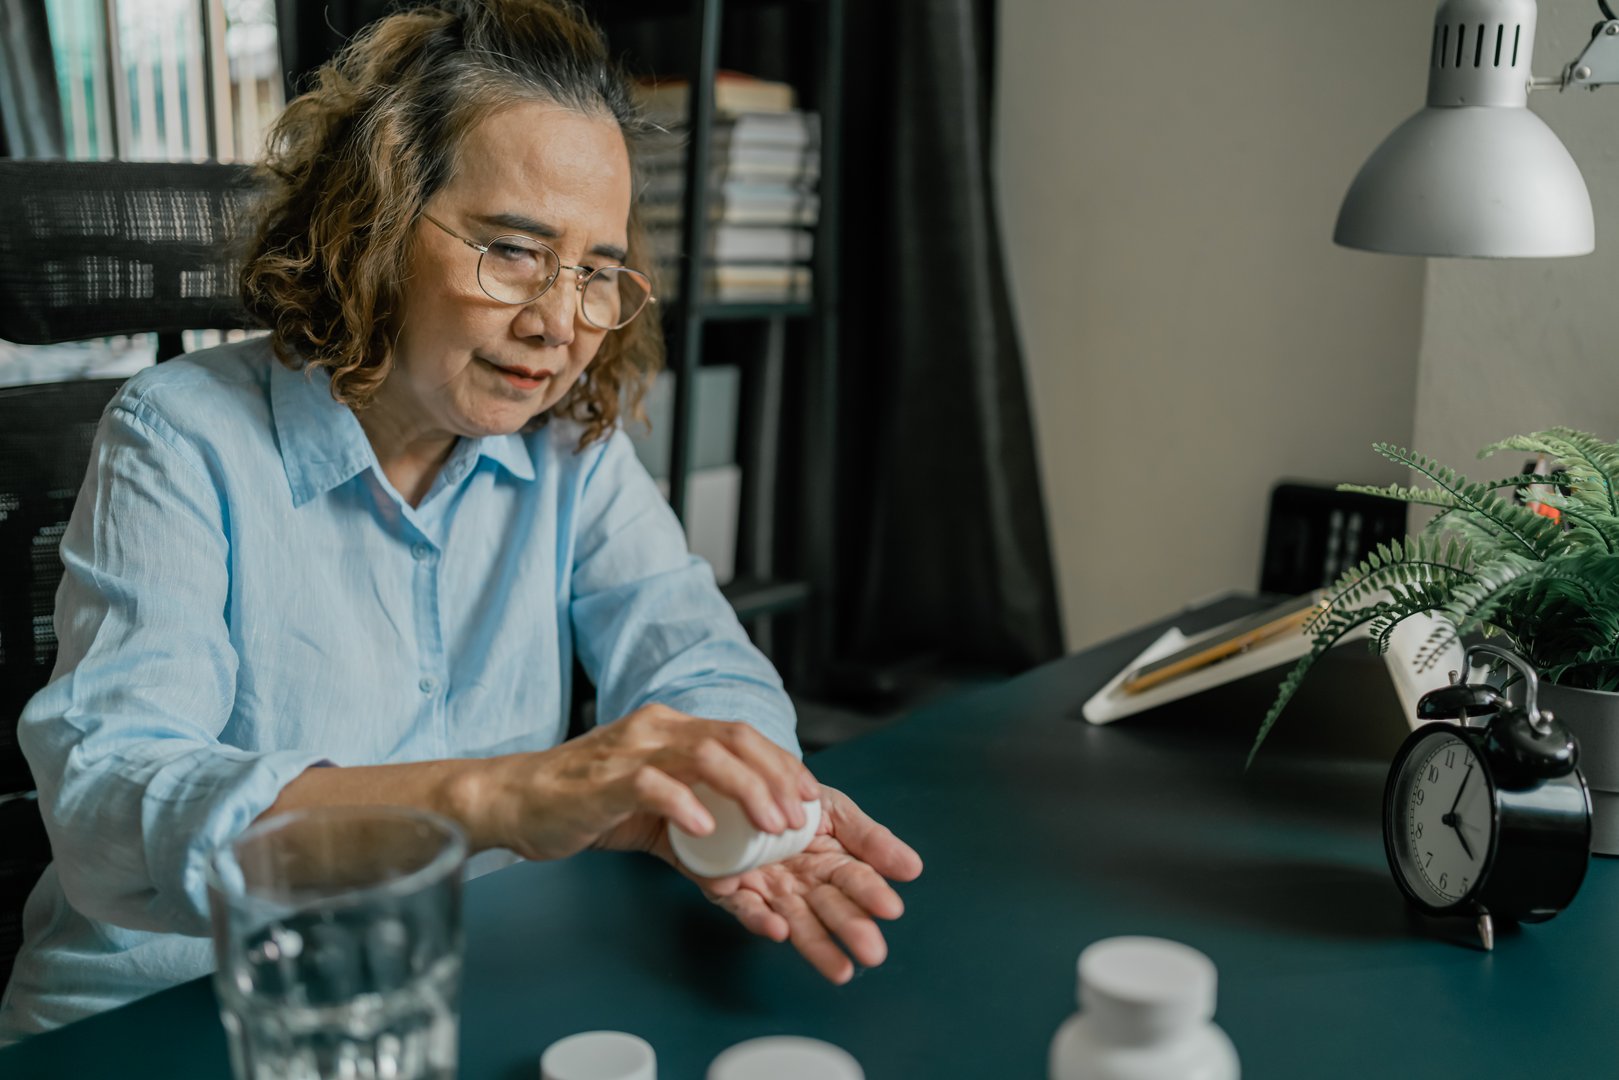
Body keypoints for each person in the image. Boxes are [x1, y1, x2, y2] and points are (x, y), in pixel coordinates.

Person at [0, 0, 921, 1042]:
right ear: (376, 222)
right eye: (514, 252)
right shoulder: (178, 436)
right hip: (171, 1014)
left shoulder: (570, 445)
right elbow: (110, 800)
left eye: (595, 271)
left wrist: (726, 806)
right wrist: (503, 797)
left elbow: (694, 657)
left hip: (455, 982)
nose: (559, 321)